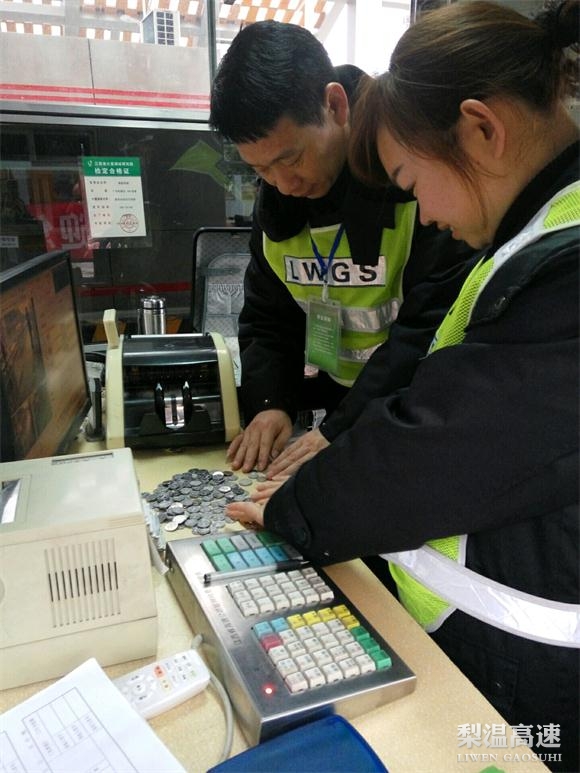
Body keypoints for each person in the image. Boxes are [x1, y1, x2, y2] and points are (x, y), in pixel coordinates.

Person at [226, 2, 580, 770]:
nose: (424, 212)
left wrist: (293, 504)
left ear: (481, 130)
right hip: (477, 623)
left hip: (534, 669)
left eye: (413, 183)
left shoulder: (565, 255)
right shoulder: (535, 225)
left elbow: (446, 440)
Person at [209, 20, 474, 474]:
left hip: (416, 412)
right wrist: (272, 403)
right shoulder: (277, 207)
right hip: (337, 410)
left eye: (291, 159)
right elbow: (269, 319)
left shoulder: (411, 181)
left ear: (335, 105)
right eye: (261, 170)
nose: (284, 184)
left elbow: (429, 325)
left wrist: (345, 426)